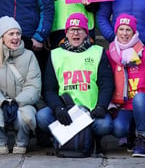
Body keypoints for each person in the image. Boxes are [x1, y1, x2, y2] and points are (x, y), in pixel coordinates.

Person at [35, 12, 113, 151]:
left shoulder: (98, 52)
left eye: (79, 30)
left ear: (86, 33)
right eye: (72, 30)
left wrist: (101, 106)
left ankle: (86, 137)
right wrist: (58, 108)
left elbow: (106, 84)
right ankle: (67, 137)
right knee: (42, 117)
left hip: (91, 111)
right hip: (65, 110)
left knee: (105, 125)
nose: (75, 33)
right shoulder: (55, 54)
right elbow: (49, 90)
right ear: (66, 33)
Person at [0, 16, 41, 155]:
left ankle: (21, 142)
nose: (16, 37)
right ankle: (0, 142)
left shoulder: (30, 56)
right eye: (11, 34)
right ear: (2, 37)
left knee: (26, 116)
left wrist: (16, 102)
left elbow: (33, 86)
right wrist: (3, 102)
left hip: (22, 103)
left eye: (18, 33)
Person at [106, 14, 145, 157]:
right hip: (123, 105)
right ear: (116, 31)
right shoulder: (109, 54)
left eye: (128, 30)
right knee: (118, 129)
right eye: (121, 29)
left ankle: (143, 138)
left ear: (134, 32)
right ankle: (130, 135)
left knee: (140, 99)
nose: (124, 33)